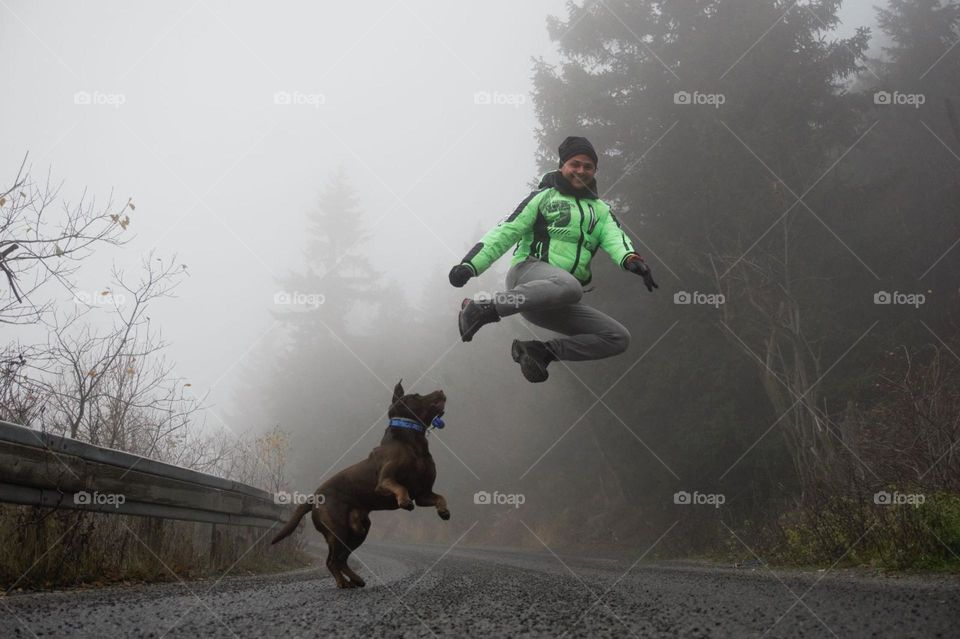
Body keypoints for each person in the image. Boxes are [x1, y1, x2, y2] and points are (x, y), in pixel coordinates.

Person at [448, 136, 658, 383]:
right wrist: (470, 265)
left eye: (588, 166)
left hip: (557, 299)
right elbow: (507, 230)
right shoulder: (543, 197)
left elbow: (615, 237)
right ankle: (482, 308)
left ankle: (540, 352)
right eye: (575, 164)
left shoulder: (600, 210)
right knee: (570, 286)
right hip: (528, 273)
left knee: (617, 338)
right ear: (562, 167)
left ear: (594, 171)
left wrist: (630, 258)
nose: (581, 170)